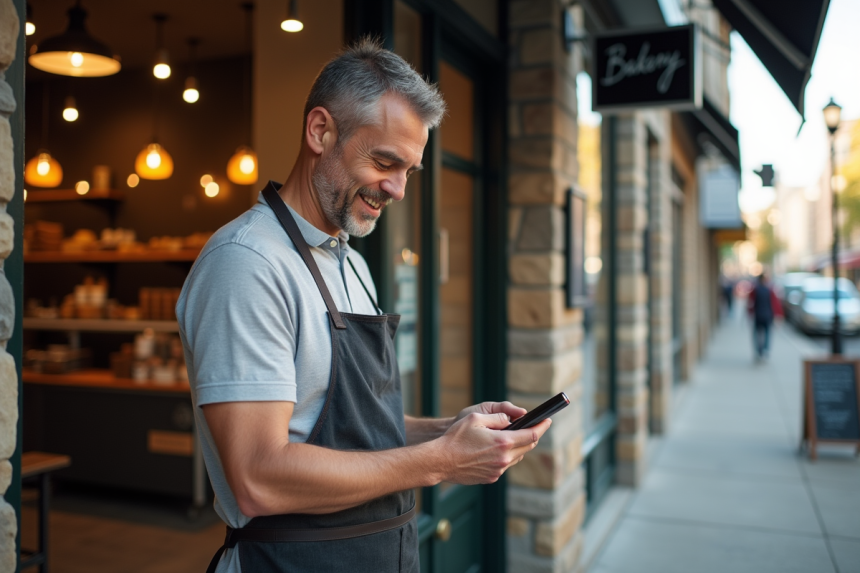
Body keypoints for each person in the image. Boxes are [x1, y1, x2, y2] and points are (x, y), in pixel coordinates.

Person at [177, 39, 550, 573]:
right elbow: (258, 477)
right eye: (384, 162)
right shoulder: (247, 263)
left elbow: (353, 433)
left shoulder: (350, 261)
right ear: (320, 131)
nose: (397, 189)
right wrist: (442, 461)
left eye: (409, 171)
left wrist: (448, 430)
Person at [747, 273, 783, 359]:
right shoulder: (769, 290)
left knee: (757, 334)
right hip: (767, 315)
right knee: (767, 333)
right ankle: (765, 349)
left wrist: (750, 313)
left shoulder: (755, 290)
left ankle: (759, 350)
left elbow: (750, 303)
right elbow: (775, 304)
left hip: (758, 315)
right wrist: (778, 315)